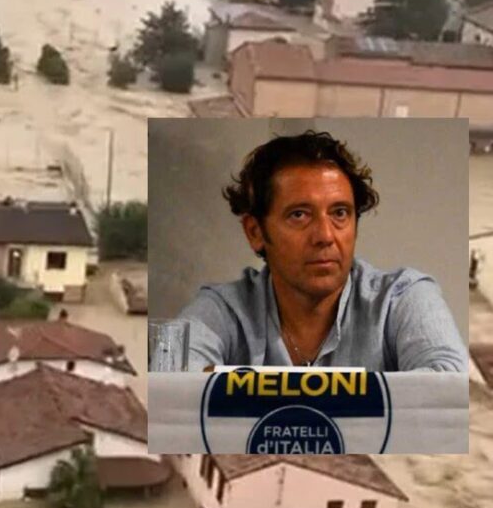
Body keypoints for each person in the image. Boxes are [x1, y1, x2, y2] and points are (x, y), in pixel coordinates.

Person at [177, 131, 466, 372]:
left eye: (340, 213)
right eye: (299, 215)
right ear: (255, 232)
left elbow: (449, 386)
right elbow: (168, 367)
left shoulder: (404, 296)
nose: (325, 236)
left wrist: (225, 388)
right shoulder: (221, 306)